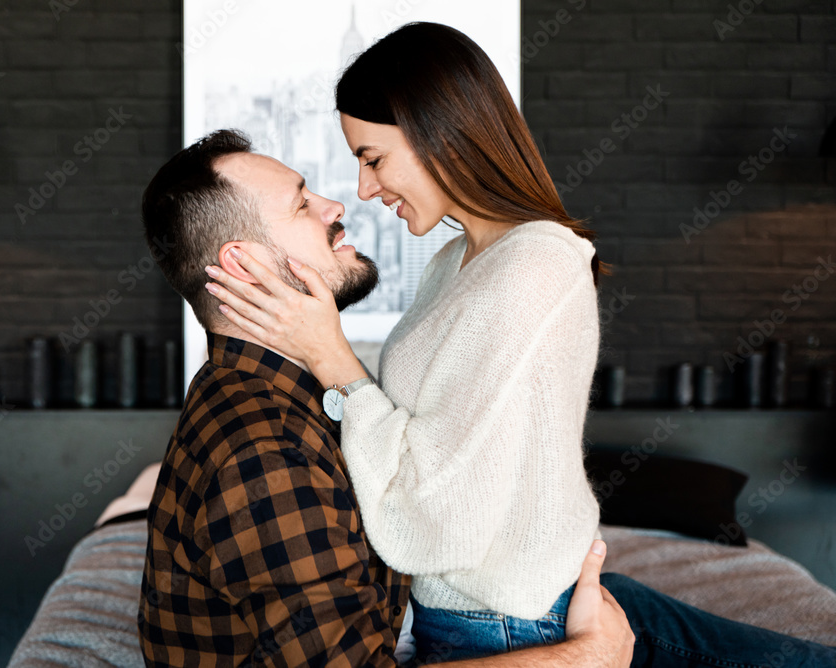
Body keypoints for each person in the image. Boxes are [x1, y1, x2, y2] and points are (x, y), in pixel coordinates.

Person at [204, 22, 836, 666]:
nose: (366, 190)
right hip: (510, 612)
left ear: (437, 132)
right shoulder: (456, 262)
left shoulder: (534, 266)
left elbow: (430, 524)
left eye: (372, 159)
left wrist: (329, 353)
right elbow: (432, 447)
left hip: (513, 621)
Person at [137, 129, 635, 667]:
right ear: (243, 265)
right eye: (303, 204)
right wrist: (588, 656)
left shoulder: (272, 392)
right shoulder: (265, 452)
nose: (336, 206)